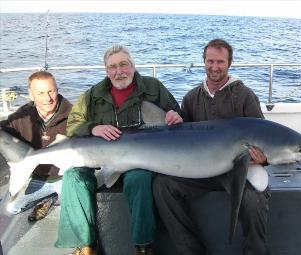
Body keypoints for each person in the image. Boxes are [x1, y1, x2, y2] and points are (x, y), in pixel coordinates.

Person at [55, 44, 183, 255]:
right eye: (113, 67)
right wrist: (93, 127)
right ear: (107, 71)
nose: (119, 71)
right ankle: (86, 245)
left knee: (139, 179)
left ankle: (143, 246)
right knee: (72, 177)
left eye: (124, 64)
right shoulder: (92, 96)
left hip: (138, 161)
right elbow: (73, 125)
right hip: (101, 160)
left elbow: (176, 114)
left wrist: (175, 117)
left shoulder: (153, 87)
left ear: (133, 66)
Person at [153, 38, 271, 255]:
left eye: (220, 62)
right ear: (203, 62)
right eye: (210, 61)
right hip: (202, 171)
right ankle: (191, 249)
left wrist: (264, 159)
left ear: (229, 64)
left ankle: (256, 252)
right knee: (162, 185)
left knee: (254, 200)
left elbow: (265, 136)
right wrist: (173, 119)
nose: (214, 67)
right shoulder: (191, 97)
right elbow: (181, 139)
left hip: (236, 170)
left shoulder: (245, 96)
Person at [0, 70, 72, 221]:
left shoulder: (73, 115)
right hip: (37, 178)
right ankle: (47, 198)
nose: (47, 98)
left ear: (57, 90)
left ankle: (53, 198)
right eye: (40, 93)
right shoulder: (22, 115)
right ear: (31, 95)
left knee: (74, 209)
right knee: (10, 209)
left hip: (65, 177)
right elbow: (3, 131)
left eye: (51, 91)